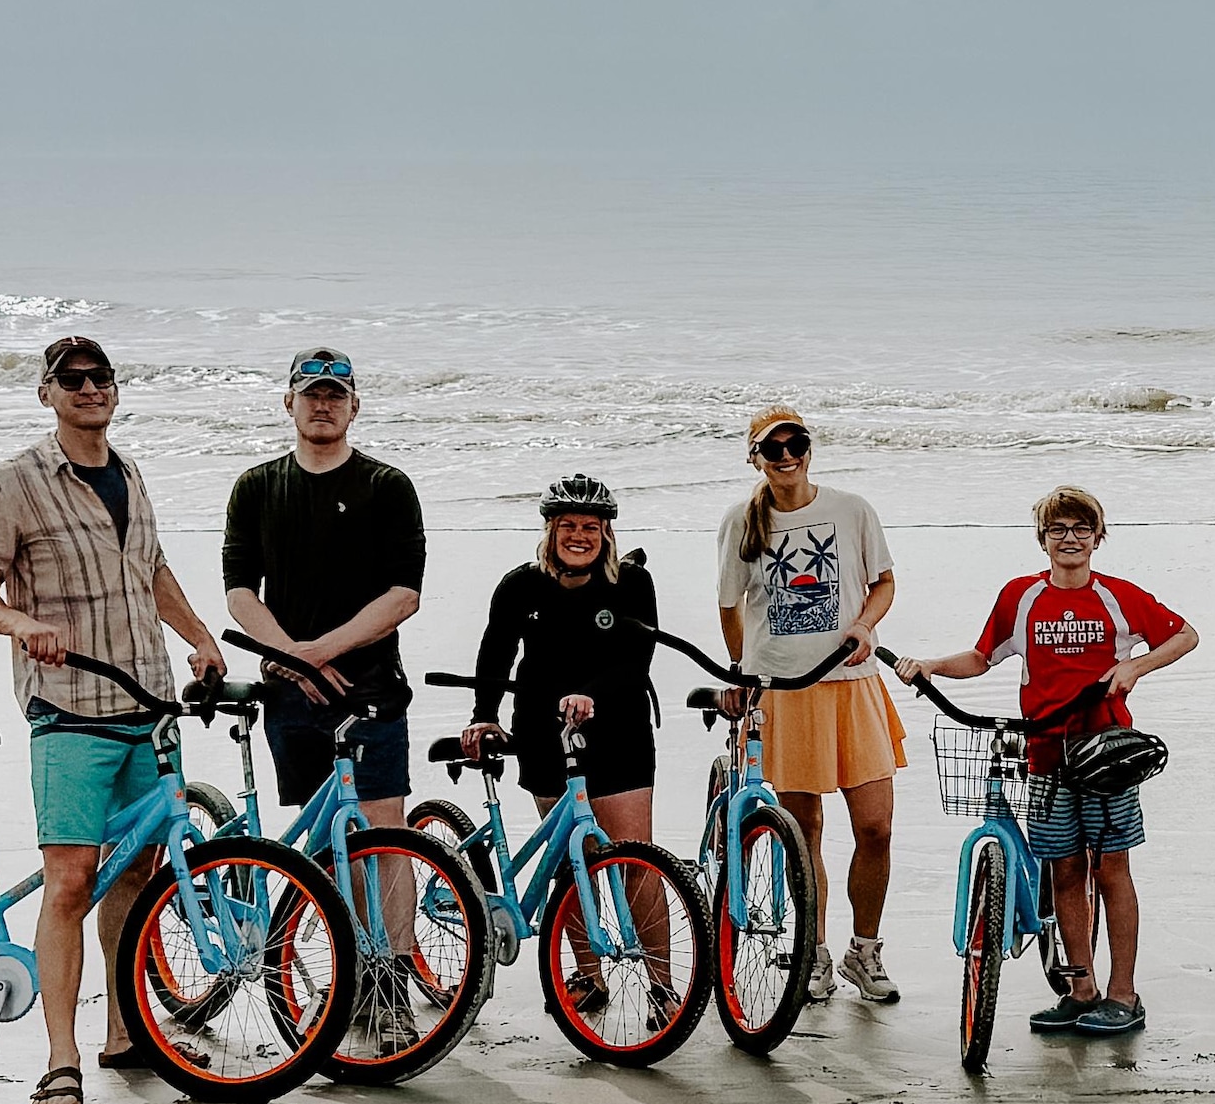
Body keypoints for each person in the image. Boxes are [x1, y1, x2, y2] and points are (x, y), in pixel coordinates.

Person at [0, 330, 229, 1104]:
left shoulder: (129, 472)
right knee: (71, 879)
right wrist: (18, 622)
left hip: (150, 706)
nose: (90, 388)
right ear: (47, 393)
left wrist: (199, 636)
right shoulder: (16, 481)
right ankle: (60, 1059)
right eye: (72, 379)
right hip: (70, 712)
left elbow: (152, 570)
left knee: (134, 874)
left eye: (101, 376)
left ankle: (125, 1033)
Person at [905, 486, 1195, 1037]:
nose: (1070, 539)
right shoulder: (1021, 596)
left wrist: (1135, 667)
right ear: (1042, 539)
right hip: (1044, 752)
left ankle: (1124, 993)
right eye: (1058, 529)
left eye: (1082, 529)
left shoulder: (1118, 596)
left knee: (1111, 870)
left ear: (1098, 537)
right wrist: (932, 666)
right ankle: (1081, 990)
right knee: (1064, 870)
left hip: (1106, 754)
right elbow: (982, 657)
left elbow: (1185, 635)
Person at [715, 405, 906, 1002]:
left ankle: (864, 951)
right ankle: (814, 952)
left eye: (794, 444)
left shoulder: (851, 509)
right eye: (772, 449)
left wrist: (865, 625)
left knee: (875, 826)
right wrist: (743, 675)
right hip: (785, 691)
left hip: (853, 684)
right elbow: (730, 607)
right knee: (805, 832)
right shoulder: (741, 521)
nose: (786, 456)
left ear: (808, 448)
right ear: (755, 458)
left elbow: (883, 582)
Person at [468, 473, 674, 976]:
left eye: (590, 526)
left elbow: (636, 660)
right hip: (542, 730)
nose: (578, 536)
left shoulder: (631, 583)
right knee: (571, 862)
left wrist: (592, 694)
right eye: (567, 525)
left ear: (606, 533)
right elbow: (495, 653)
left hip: (619, 730)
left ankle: (664, 985)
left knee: (634, 860)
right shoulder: (520, 586)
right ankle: (588, 976)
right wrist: (484, 715)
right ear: (550, 530)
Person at [221, 349, 424, 837]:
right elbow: (240, 591)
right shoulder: (256, 487)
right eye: (312, 395)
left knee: (383, 835)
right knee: (317, 836)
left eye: (336, 396)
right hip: (289, 691)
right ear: (288, 403)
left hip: (367, 687)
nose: (323, 405)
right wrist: (293, 657)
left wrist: (320, 652)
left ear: (354, 408)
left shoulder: (387, 486)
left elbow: (404, 595)